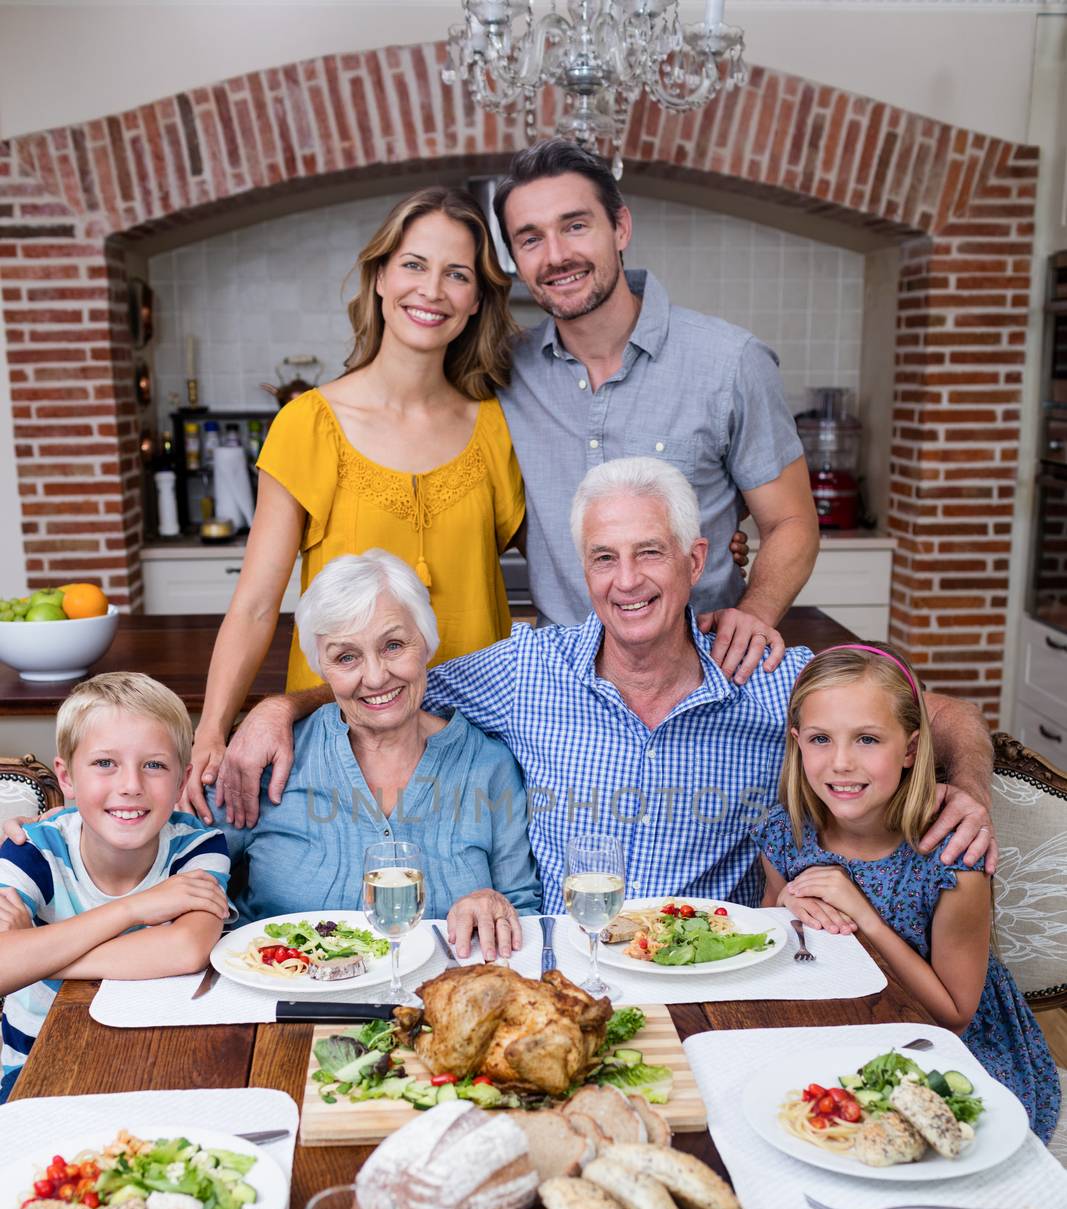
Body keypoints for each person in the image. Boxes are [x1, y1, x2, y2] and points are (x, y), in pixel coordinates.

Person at [211, 458, 998, 915]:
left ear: (693, 563)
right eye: (603, 558)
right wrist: (281, 704)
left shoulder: (765, 681)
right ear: (582, 569)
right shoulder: (528, 670)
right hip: (568, 970)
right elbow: (390, 681)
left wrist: (966, 788)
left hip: (705, 968)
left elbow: (948, 713)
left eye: (649, 554)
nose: (627, 582)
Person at [185, 186, 525, 820]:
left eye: (457, 274)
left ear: (477, 300)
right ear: (379, 278)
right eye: (414, 265)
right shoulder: (308, 424)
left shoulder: (498, 425)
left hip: (477, 747)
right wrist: (211, 730)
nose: (432, 290)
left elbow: (570, 569)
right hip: (339, 741)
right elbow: (258, 604)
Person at [492, 138, 821, 687]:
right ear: (515, 258)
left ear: (620, 227)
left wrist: (757, 612)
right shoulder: (505, 374)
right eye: (531, 238)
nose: (555, 256)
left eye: (576, 226)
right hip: (559, 688)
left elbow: (792, 521)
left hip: (705, 674)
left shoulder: (729, 363)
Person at [754, 644, 1059, 1141]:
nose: (841, 762)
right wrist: (785, 905)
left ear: (912, 749)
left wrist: (865, 917)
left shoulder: (952, 863)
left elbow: (953, 1017)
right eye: (820, 739)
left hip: (946, 1056)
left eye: (868, 739)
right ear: (797, 743)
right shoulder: (785, 836)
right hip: (832, 1032)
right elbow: (771, 946)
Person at [214, 551, 540, 960]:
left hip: (433, 1005)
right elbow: (185, 867)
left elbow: (523, 909)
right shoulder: (271, 756)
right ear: (322, 667)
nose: (375, 676)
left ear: (426, 643)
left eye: (393, 645)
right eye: (346, 657)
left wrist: (494, 904)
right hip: (278, 1006)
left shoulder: (488, 765)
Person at [0, 673, 230, 1101]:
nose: (130, 785)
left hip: (156, 1061)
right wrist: (133, 909)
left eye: (155, 765)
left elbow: (185, 949)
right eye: (105, 763)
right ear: (67, 778)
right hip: (33, 1073)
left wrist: (33, 952)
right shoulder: (33, 848)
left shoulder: (196, 846)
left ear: (183, 780)